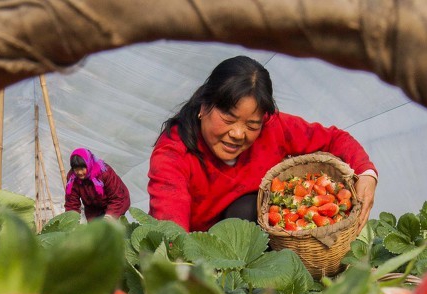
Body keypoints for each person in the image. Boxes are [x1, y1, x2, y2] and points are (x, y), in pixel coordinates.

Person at [148, 55, 377, 234]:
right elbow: (170, 226)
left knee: (247, 209)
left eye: (252, 124)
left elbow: (335, 138)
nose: (238, 134)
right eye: (228, 119)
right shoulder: (173, 152)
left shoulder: (273, 127)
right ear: (203, 106)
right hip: (198, 251)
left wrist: (367, 174)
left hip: (258, 242)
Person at [64, 148, 131, 220]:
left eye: (82, 168)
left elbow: (117, 198)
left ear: (88, 164)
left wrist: (109, 217)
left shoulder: (104, 172)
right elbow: (71, 203)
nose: (79, 172)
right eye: (76, 169)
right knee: (95, 226)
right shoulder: (72, 178)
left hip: (117, 202)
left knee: (112, 224)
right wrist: (71, 221)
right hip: (93, 208)